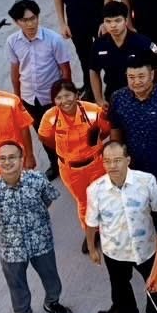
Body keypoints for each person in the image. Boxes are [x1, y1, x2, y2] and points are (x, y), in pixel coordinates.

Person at [0, 141, 74, 313]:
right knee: (16, 283)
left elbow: (47, 200)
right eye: (2, 158)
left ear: (21, 160)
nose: (7, 162)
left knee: (50, 276)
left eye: (12, 157)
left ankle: (52, 303)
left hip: (40, 242)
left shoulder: (37, 180)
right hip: (11, 249)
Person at [83, 141, 157, 313]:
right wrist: (92, 248)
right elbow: (91, 223)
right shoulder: (95, 190)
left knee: (156, 284)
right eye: (107, 161)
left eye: (117, 160)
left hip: (146, 246)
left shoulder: (146, 181)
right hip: (115, 251)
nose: (112, 166)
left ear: (128, 160)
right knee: (120, 289)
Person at [6, 0, 76, 174]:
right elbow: (15, 71)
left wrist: (67, 97)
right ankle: (55, 164)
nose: (30, 24)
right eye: (24, 20)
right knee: (43, 133)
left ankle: (70, 161)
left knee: (63, 132)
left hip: (53, 98)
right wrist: (18, 98)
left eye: (33, 18)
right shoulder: (12, 42)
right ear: (16, 22)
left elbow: (65, 70)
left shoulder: (54, 40)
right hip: (29, 98)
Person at [36, 79, 108, 243]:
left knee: (103, 199)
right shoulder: (50, 117)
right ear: (54, 101)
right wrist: (64, 153)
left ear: (77, 95)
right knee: (83, 203)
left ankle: (108, 230)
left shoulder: (92, 111)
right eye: (59, 98)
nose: (64, 101)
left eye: (68, 95)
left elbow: (105, 131)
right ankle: (91, 235)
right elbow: (45, 137)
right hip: (71, 171)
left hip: (96, 165)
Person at [106, 55, 157, 191]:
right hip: (134, 168)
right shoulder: (118, 99)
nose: (136, 82)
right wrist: (117, 160)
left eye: (141, 76)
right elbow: (115, 130)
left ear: (151, 75)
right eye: (131, 77)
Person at [88, 1, 157, 108]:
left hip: (142, 96)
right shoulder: (99, 45)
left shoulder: (143, 43)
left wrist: (146, 91)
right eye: (108, 21)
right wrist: (99, 99)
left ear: (126, 20)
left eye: (117, 20)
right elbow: (93, 70)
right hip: (113, 96)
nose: (113, 25)